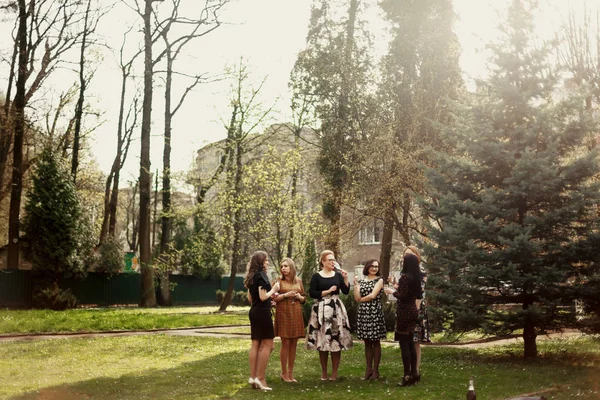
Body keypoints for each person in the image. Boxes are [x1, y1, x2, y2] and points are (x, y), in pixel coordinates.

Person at [306, 250, 353, 381]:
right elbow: (312, 293)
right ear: (323, 262)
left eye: (333, 260)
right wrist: (327, 291)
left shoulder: (337, 275)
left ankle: (334, 373)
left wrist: (345, 278)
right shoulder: (316, 276)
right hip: (321, 310)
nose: (332, 262)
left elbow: (345, 291)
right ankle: (324, 373)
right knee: (323, 341)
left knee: (336, 341)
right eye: (329, 260)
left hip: (335, 310)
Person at [384, 248, 422, 387]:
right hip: (413, 310)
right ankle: (414, 373)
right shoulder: (416, 277)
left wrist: (392, 291)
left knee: (404, 344)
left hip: (404, 312)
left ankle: (406, 375)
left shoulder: (405, 277)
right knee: (411, 343)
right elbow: (415, 295)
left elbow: (402, 296)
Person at [245, 251, 280, 391]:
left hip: (254, 311)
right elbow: (263, 296)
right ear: (261, 262)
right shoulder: (262, 275)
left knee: (255, 344)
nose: (267, 263)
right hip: (262, 314)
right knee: (268, 344)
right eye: (266, 260)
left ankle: (253, 377)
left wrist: (266, 301)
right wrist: (275, 290)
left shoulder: (251, 276)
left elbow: (251, 298)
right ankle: (261, 379)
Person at [273, 258, 306, 383]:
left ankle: (291, 373)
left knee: (294, 343)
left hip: (296, 313)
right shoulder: (278, 281)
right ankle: (284, 372)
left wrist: (299, 297)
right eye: (282, 266)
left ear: (291, 267)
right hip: (283, 313)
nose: (283, 268)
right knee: (285, 342)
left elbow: (304, 298)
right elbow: (273, 298)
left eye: (286, 266)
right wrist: (285, 295)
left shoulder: (298, 281)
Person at [353, 259, 386, 380]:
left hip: (374, 312)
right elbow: (356, 297)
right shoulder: (361, 281)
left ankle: (376, 371)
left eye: (376, 266)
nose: (374, 268)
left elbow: (373, 295)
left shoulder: (380, 280)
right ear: (367, 267)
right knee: (367, 342)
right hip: (363, 313)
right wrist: (356, 285)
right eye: (372, 266)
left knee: (375, 341)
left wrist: (361, 300)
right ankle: (368, 370)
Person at [409, 246, 430, 382]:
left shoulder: (420, 271)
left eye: (410, 254)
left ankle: (416, 370)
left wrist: (414, 311)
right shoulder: (407, 271)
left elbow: (420, 293)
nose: (407, 257)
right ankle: (409, 369)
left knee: (415, 341)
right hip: (406, 308)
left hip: (416, 309)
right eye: (405, 254)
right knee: (408, 340)